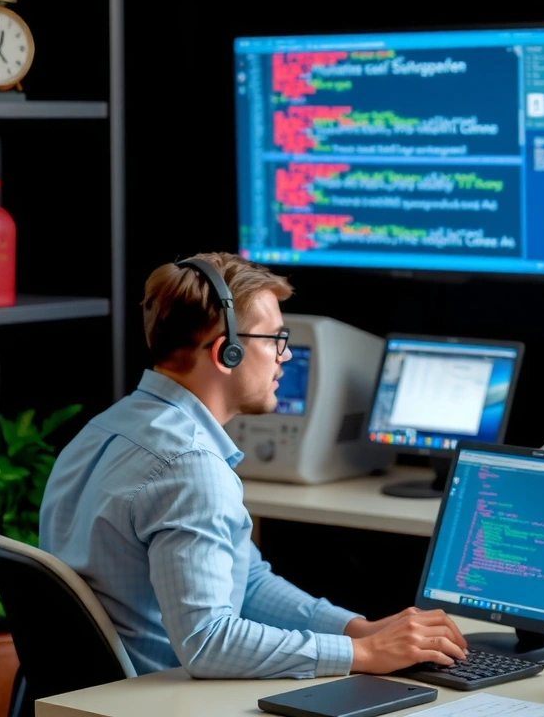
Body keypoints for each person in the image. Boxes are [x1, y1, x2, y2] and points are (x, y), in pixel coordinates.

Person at [40, 252, 468, 679]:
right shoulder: (190, 466)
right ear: (226, 352)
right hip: (157, 700)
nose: (286, 355)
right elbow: (209, 644)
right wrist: (362, 654)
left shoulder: (103, 428)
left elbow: (247, 580)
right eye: (275, 339)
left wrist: (357, 630)